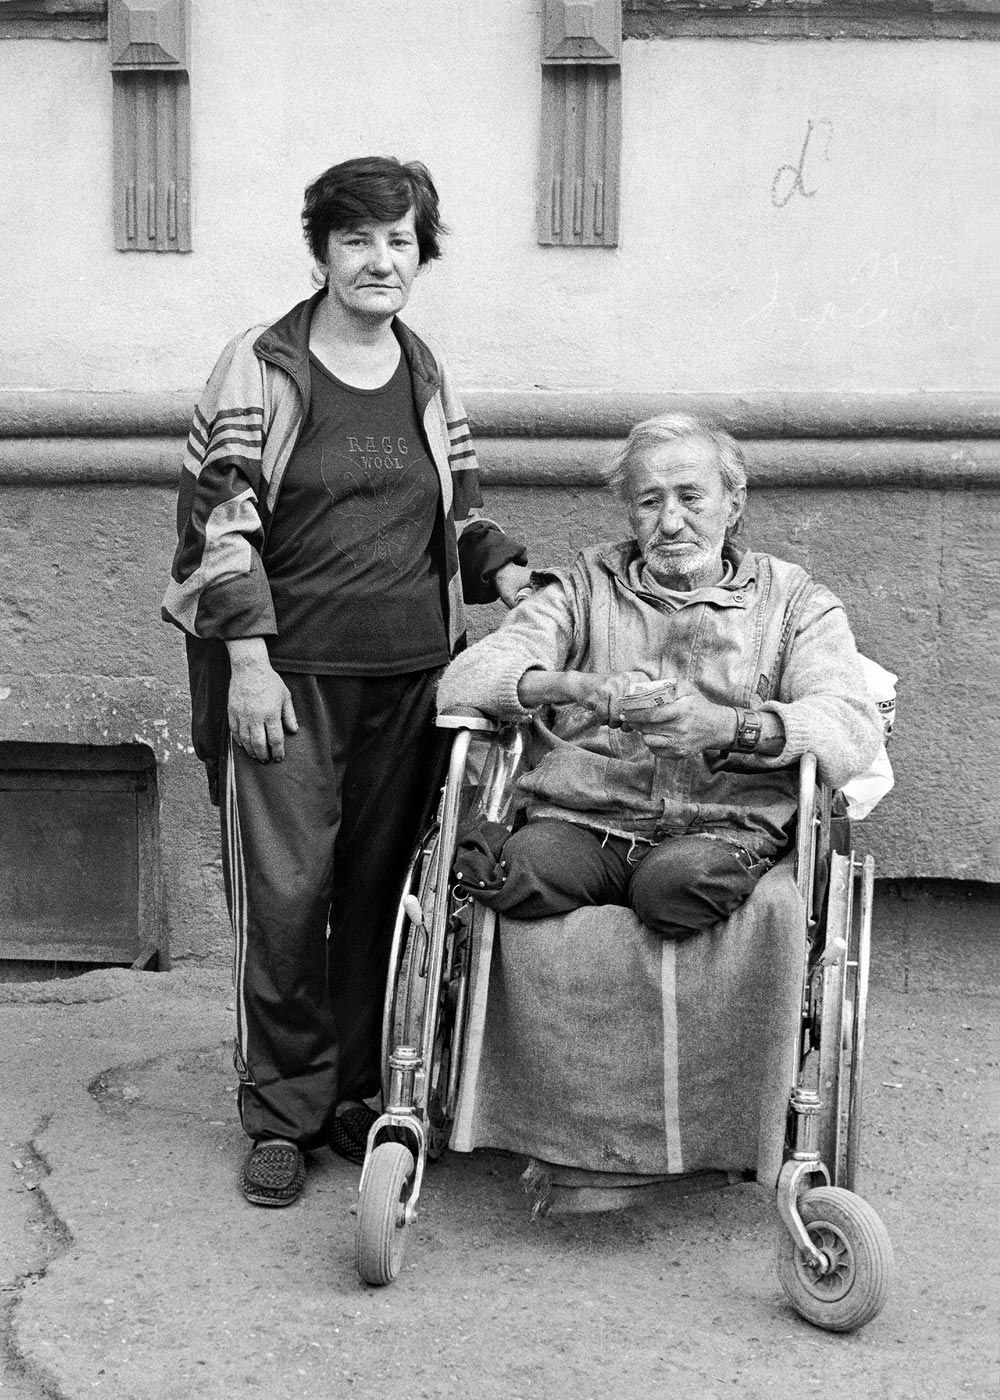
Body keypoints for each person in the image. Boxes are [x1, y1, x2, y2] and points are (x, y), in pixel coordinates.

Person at [162, 156, 530, 1207]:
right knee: (284, 898)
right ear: (321, 248)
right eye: (358, 238)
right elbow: (215, 522)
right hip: (284, 678)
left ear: (422, 254)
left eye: (400, 240)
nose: (380, 259)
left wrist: (500, 565)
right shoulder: (264, 365)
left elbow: (451, 511)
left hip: (410, 680)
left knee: (380, 895)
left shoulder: (424, 370)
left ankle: (353, 1097)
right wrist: (245, 661)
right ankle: (279, 1112)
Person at [437, 413, 882, 938]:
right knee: (526, 870)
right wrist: (576, 686)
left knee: (675, 888)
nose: (670, 522)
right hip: (584, 820)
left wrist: (729, 727)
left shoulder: (795, 602)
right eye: (650, 502)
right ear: (630, 512)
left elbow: (851, 726)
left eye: (690, 498)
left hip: (721, 829)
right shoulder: (584, 587)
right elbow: (462, 681)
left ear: (733, 503)